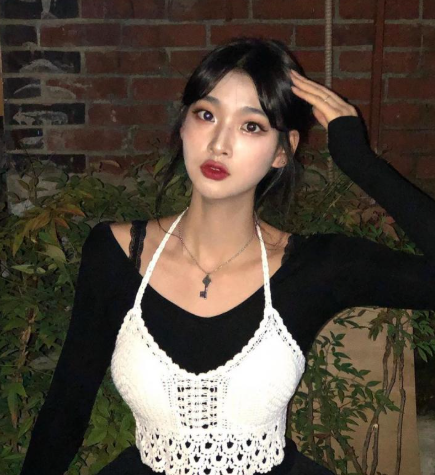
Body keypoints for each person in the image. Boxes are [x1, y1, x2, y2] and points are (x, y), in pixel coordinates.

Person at [19, 37, 435, 475]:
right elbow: (67, 406)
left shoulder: (316, 267)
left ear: (283, 150)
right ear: (183, 125)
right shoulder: (117, 254)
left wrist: (359, 161)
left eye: (251, 125)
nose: (219, 143)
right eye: (206, 114)